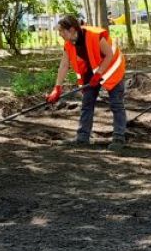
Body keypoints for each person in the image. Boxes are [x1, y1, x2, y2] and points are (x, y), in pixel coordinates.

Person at [47, 16, 128, 150]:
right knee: (87, 102)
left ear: (72, 30)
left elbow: (109, 55)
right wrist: (57, 88)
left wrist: (99, 73)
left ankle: (119, 137)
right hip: (94, 71)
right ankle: (82, 137)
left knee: (116, 104)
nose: (60, 34)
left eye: (62, 31)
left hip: (112, 68)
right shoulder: (69, 43)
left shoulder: (94, 35)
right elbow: (64, 65)